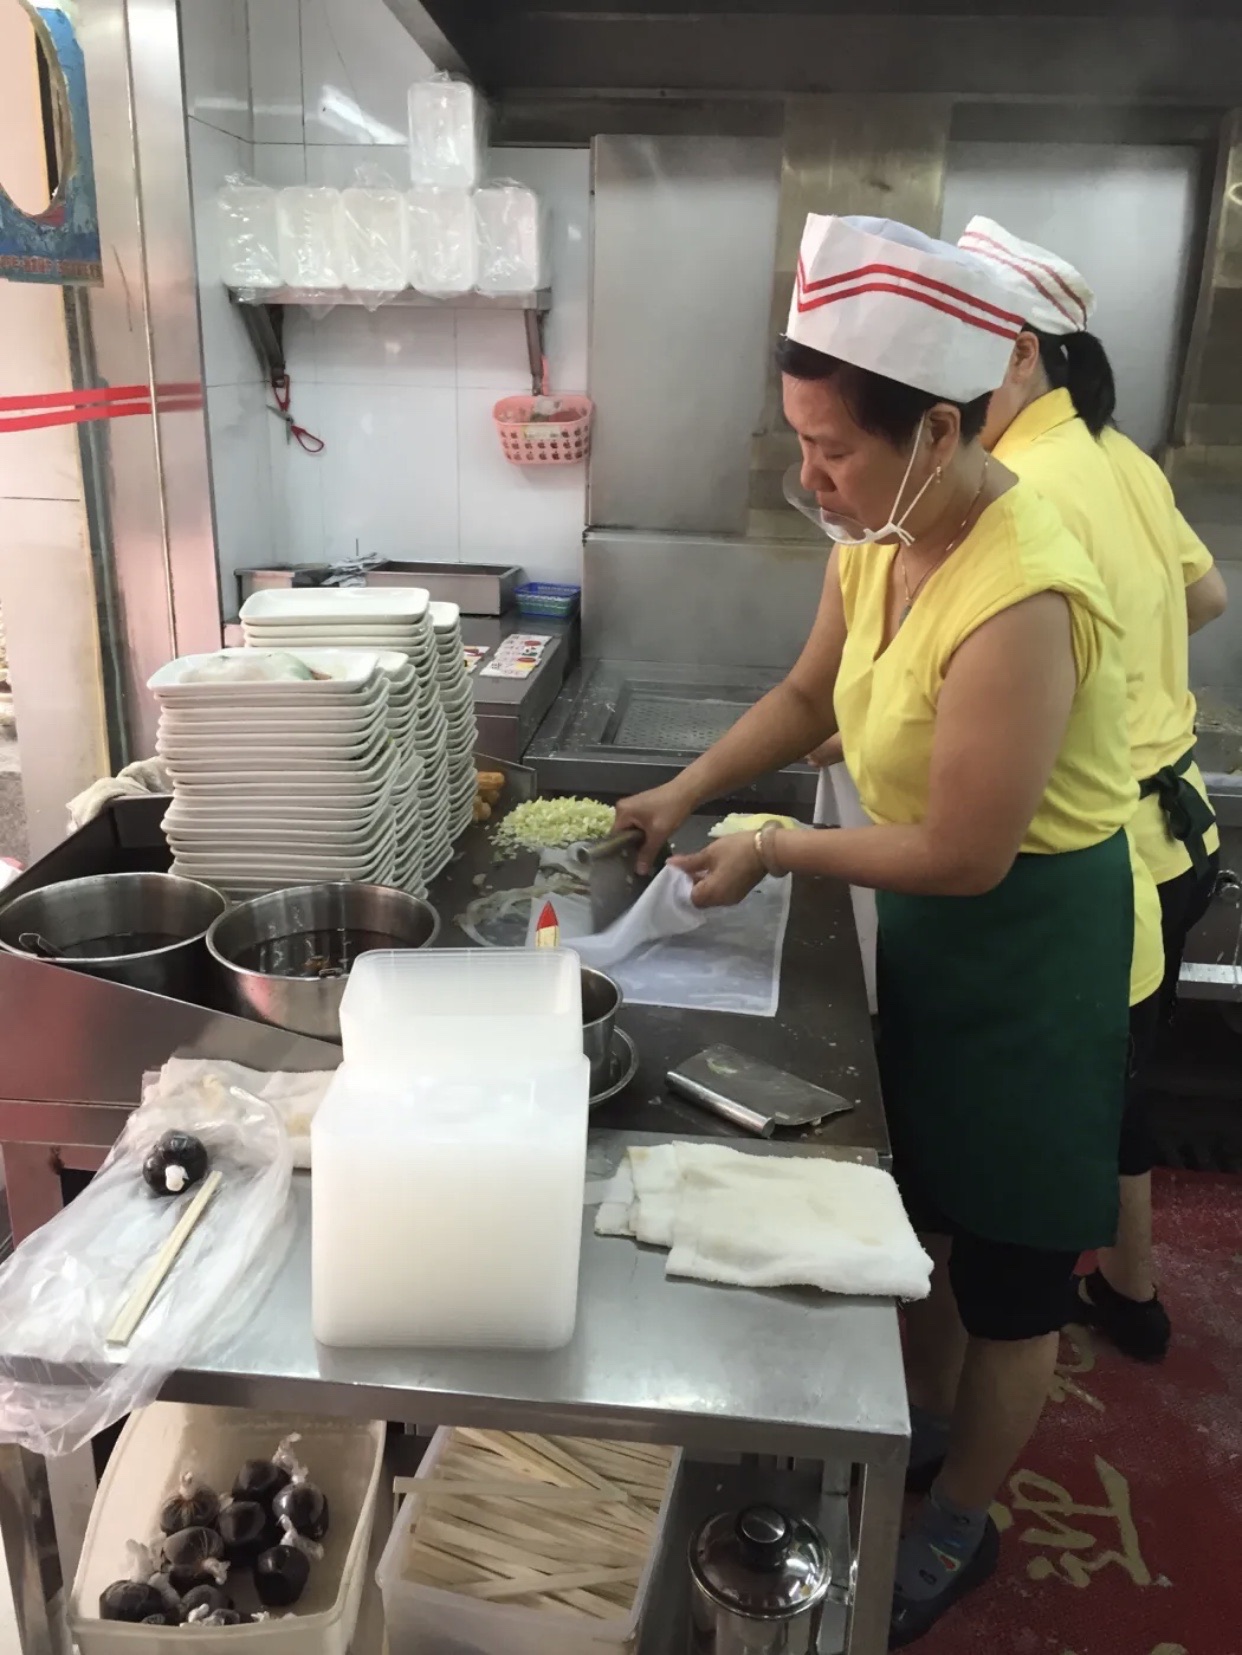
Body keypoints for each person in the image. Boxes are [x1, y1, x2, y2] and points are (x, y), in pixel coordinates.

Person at [614, 211, 1163, 1648]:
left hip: (1029, 949)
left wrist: (775, 846)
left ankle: (963, 1516)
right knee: (921, 1213)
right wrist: (683, 790)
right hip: (924, 925)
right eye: (797, 441)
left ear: (936, 428)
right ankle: (920, 1421)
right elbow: (808, 696)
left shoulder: (1022, 587)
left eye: (831, 449)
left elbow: (970, 850)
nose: (808, 475)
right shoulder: (881, 534)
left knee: (1012, 1267)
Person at [958, 215, 1228, 1360]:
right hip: (1184, 825)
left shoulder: (1024, 483)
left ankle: (1054, 1306)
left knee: (1078, 1094)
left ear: (1020, 352)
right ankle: (1131, 1280)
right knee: (1118, 1073)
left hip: (1116, 851)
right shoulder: (1121, 458)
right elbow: (1205, 596)